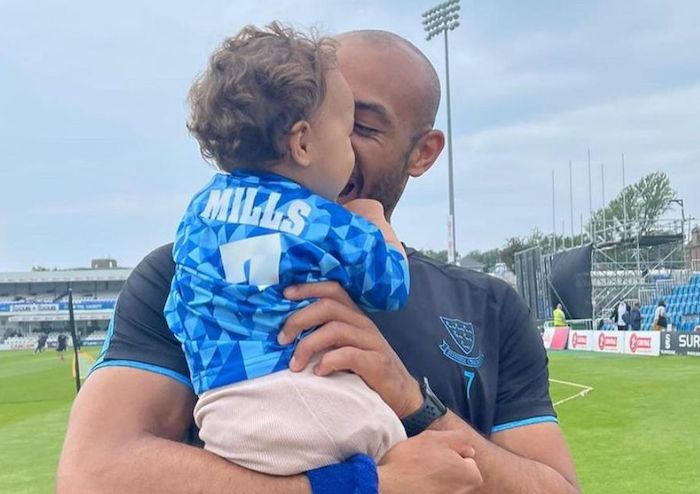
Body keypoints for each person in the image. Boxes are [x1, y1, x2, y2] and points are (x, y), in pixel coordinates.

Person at [58, 29, 579, 494]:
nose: (334, 144)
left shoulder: (488, 305)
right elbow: (94, 477)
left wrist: (410, 401)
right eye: (299, 117)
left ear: (422, 153)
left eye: (362, 126)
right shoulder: (182, 275)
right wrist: (369, 486)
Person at [165, 23, 409, 475]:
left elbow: (177, 305)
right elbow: (389, 287)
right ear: (302, 142)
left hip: (219, 411)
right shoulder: (323, 219)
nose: (351, 148)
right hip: (308, 401)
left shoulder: (199, 210)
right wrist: (378, 227)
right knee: (420, 461)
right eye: (346, 127)